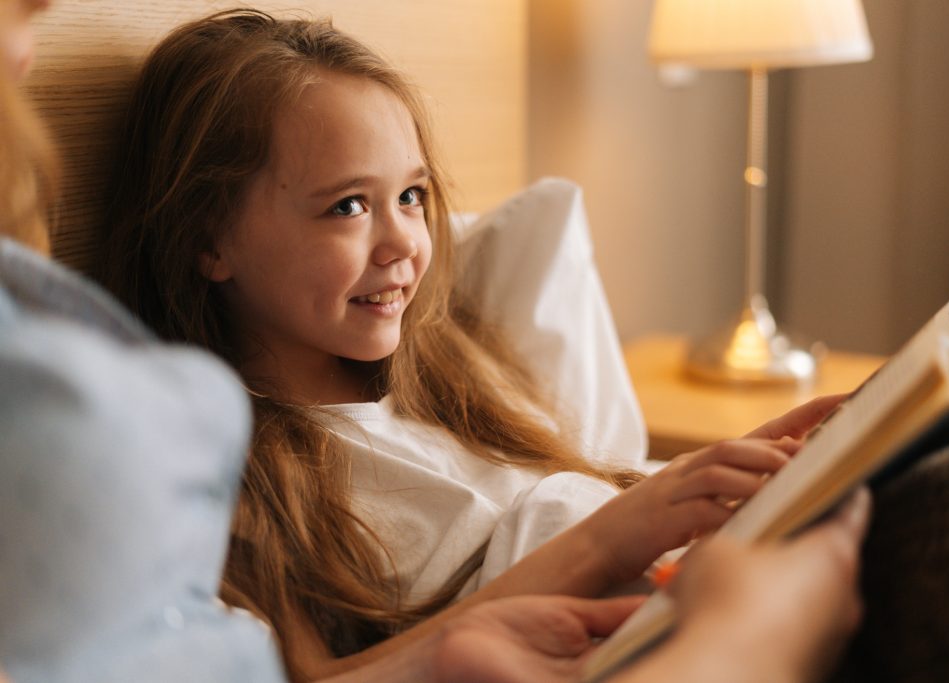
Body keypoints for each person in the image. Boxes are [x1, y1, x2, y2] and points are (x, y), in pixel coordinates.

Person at [0, 2, 868, 682]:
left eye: (411, 196)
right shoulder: (240, 473)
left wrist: (719, 480)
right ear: (208, 240)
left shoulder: (449, 379)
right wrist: (615, 533)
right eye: (348, 205)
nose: (404, 244)